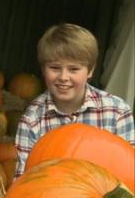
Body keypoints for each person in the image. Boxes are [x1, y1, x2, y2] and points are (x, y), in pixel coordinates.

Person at [14, 23, 135, 179]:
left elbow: (129, 173)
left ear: (90, 71)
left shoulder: (117, 112)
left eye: (73, 69)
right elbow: (23, 180)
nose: (63, 77)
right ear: (44, 69)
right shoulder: (32, 119)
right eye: (55, 68)